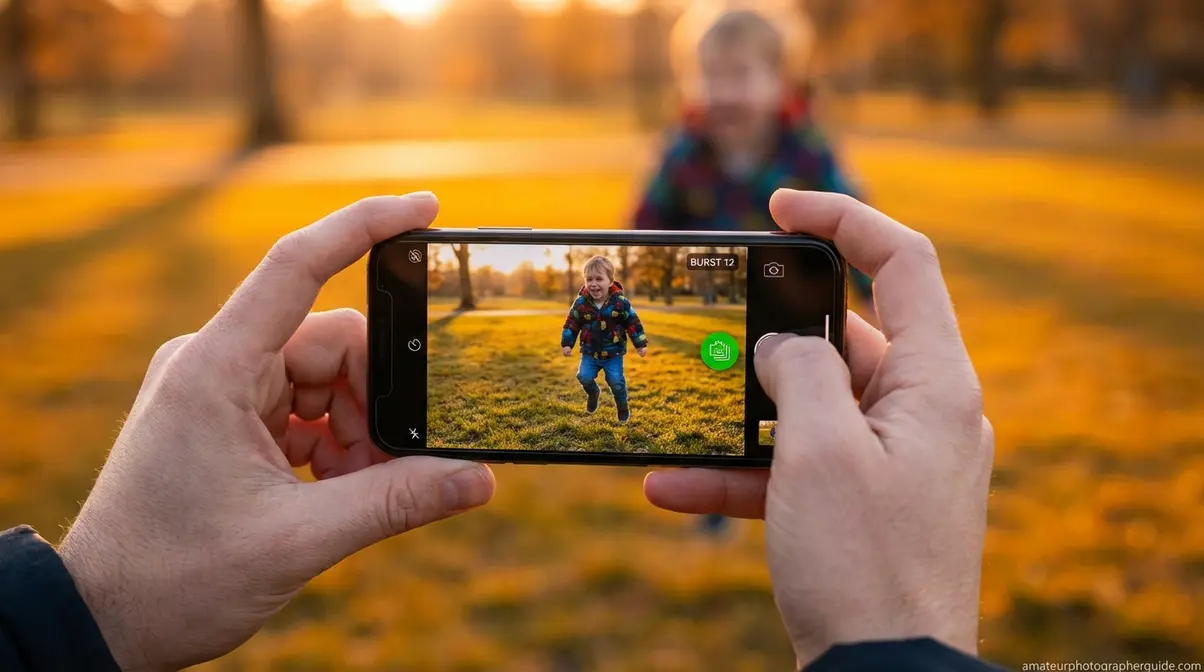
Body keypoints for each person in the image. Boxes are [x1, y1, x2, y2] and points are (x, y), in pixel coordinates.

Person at [0, 190, 1002, 671]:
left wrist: (75, 611)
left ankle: (606, 402)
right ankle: (598, 398)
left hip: (615, 361)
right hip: (585, 356)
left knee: (607, 387)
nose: (603, 283)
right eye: (600, 278)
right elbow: (578, 322)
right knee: (588, 375)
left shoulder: (622, 305)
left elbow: (629, 324)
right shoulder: (586, 307)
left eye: (607, 279)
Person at [633, 8, 875, 303]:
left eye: (740, 74)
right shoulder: (683, 155)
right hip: (709, 307)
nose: (724, 92)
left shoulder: (807, 152)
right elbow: (641, 234)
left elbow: (855, 230)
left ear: (781, 81)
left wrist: (875, 301)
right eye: (710, 75)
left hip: (792, 309)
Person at [561, 255, 649, 424]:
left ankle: (622, 405)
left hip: (613, 353)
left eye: (599, 279)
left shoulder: (620, 303)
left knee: (615, 382)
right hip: (589, 352)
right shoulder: (581, 303)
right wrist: (567, 343)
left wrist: (640, 343)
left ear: (610, 281)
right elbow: (572, 322)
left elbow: (633, 322)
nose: (593, 284)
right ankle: (593, 393)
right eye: (589, 279)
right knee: (583, 376)